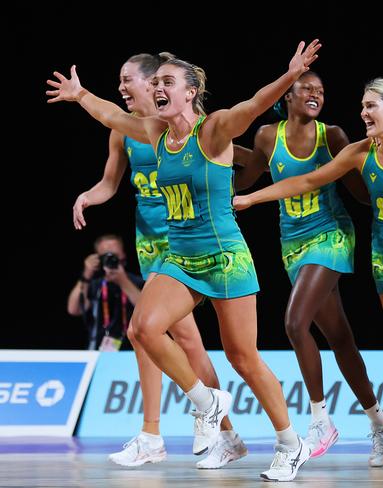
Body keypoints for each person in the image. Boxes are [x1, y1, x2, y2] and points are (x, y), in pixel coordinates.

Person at [48, 40, 321, 482]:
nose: (158, 88)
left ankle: (292, 443)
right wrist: (81, 95)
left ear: (190, 92)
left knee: (243, 358)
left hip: (224, 258)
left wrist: (290, 76)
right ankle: (207, 402)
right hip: (179, 257)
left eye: (167, 82)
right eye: (155, 82)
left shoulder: (212, 131)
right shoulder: (156, 132)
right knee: (142, 329)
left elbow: (253, 106)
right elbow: (114, 116)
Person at [234, 78, 383, 473]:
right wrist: (251, 196)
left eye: (370, 106)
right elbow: (309, 179)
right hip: (382, 259)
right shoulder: (358, 152)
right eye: (362, 106)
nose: (362, 113)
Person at [71, 53, 245, 470]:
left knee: (171, 338)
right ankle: (200, 433)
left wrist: (238, 197)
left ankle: (199, 430)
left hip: (185, 242)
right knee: (151, 336)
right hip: (149, 242)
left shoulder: (187, 126)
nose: (121, 87)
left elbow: (232, 161)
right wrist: (88, 196)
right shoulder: (126, 132)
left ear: (152, 83)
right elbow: (110, 183)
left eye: (126, 79)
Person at [235, 70, 383, 465]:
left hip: (332, 236)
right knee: (340, 338)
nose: (315, 94)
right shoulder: (267, 137)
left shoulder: (334, 136)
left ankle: (320, 419)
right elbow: (250, 176)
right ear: (286, 96)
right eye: (307, 88)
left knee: (294, 322)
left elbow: (360, 194)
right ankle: (381, 423)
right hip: (292, 244)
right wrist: (211, 159)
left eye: (320, 91)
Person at [67, 234, 144, 351]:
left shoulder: (137, 282)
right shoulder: (93, 284)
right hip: (98, 351)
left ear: (123, 255)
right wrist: (86, 275)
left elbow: (146, 310)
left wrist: (123, 282)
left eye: (115, 255)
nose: (110, 258)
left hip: (133, 351)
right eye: (106, 256)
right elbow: (74, 309)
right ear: (98, 258)